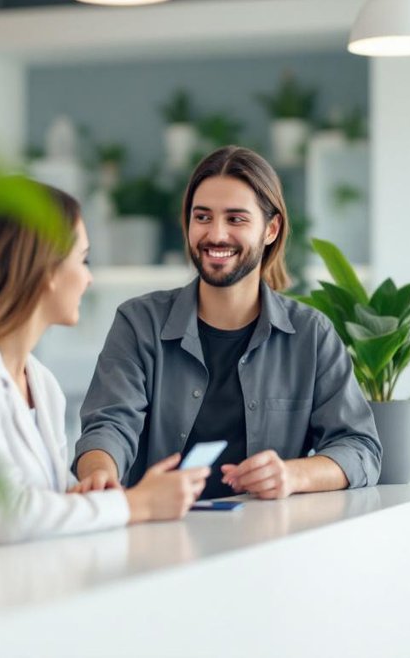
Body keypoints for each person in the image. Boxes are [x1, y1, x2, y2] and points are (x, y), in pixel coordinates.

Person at [0, 179, 209, 563]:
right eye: (83, 260)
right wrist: (136, 504)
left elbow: (43, 507)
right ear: (47, 270)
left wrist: (85, 491)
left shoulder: (40, 383)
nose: (88, 278)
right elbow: (5, 517)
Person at [73, 146, 381, 501]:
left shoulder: (312, 335)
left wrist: (292, 474)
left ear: (271, 229)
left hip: (267, 543)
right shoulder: (139, 323)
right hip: (159, 539)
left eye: (236, 219)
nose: (216, 235)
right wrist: (100, 476)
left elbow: (360, 448)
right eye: (202, 217)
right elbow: (109, 425)